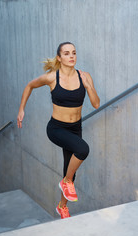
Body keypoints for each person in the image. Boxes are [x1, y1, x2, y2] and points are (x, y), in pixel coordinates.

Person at [17, 42, 100, 219]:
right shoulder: (52, 78)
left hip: (75, 128)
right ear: (59, 58)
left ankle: (62, 206)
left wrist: (88, 86)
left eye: (74, 53)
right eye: (67, 53)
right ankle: (66, 182)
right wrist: (21, 109)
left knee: (70, 169)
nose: (71, 56)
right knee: (82, 150)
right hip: (56, 128)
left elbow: (96, 103)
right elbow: (29, 86)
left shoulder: (84, 76)